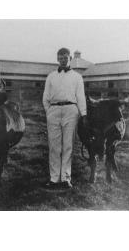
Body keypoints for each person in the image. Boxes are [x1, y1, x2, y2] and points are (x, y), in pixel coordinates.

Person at [42, 47, 87, 189]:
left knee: (68, 145)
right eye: (60, 58)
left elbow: (81, 97)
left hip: (70, 110)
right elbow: (45, 97)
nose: (62, 60)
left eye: (65, 58)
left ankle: (65, 178)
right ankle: (54, 178)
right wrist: (49, 111)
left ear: (70, 59)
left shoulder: (77, 77)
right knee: (54, 146)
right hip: (54, 110)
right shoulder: (51, 76)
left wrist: (83, 114)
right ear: (57, 59)